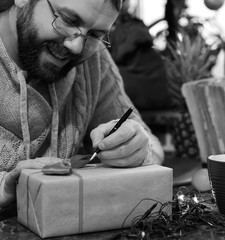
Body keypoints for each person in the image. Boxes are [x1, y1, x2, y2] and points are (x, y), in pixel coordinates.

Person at [0, 0, 164, 208]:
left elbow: (154, 149)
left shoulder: (94, 62)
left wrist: (139, 149)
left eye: (95, 35)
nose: (77, 47)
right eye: (68, 20)